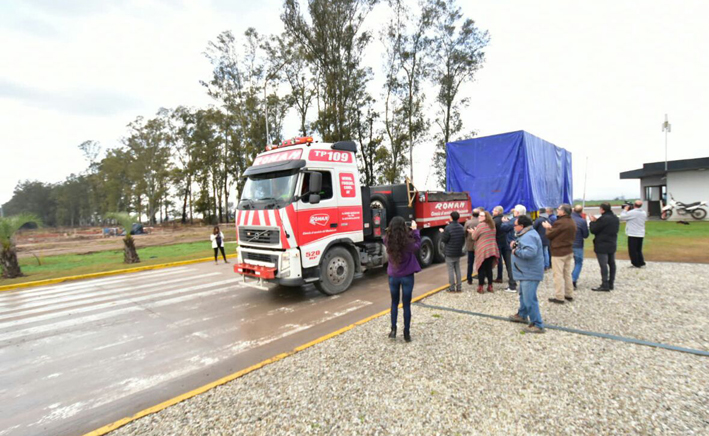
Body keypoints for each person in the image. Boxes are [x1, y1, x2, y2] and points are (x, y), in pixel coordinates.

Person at [384, 216, 421, 342]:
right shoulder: (408, 242)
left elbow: (388, 234)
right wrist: (415, 230)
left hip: (393, 276)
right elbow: (417, 245)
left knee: (394, 303)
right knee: (406, 305)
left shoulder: (387, 240)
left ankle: (393, 330)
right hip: (407, 276)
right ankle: (406, 333)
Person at [508, 215, 545, 333]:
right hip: (525, 272)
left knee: (529, 299)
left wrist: (515, 251)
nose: (514, 227)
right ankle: (522, 314)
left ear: (522, 226)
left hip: (530, 273)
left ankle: (537, 324)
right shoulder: (527, 234)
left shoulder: (528, 236)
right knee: (523, 295)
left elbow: (530, 253)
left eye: (515, 225)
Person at [543, 204, 577, 304]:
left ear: (563, 212)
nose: (557, 210)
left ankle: (559, 296)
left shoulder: (561, 222)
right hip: (568, 250)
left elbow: (550, 235)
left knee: (557, 274)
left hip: (559, 252)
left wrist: (547, 227)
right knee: (567, 273)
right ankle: (569, 294)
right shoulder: (571, 221)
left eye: (558, 209)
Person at [589, 203, 620, 292]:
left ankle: (604, 284)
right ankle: (611, 283)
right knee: (612, 263)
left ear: (602, 209)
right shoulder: (615, 218)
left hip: (602, 244)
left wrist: (592, 222)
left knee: (603, 265)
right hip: (612, 243)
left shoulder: (603, 219)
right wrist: (597, 221)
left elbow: (594, 230)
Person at [499, 204, 527, 292]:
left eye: (514, 211)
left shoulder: (514, 220)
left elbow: (503, 227)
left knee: (510, 266)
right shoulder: (526, 220)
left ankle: (512, 285)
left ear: (517, 212)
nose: (513, 211)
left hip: (511, 245)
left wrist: (504, 222)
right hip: (520, 245)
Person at [472, 211, 500, 293]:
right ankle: (490, 286)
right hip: (492, 249)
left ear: (486, 217)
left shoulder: (481, 225)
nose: (479, 217)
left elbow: (474, 237)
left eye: (481, 216)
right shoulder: (492, 225)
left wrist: (473, 231)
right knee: (489, 269)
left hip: (483, 250)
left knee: (481, 269)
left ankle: (480, 287)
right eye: (479, 216)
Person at [441, 211, 465, 292]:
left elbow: (444, 239)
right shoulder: (461, 227)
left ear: (451, 217)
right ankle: (459, 287)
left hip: (449, 252)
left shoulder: (448, 228)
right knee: (457, 269)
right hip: (458, 251)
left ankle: (451, 287)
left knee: (450, 270)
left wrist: (442, 233)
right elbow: (462, 239)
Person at [620, 200, 647, 268]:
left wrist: (625, 210)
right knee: (638, 249)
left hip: (633, 233)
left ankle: (635, 263)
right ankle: (641, 262)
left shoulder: (633, 213)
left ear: (634, 205)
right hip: (641, 233)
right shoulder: (643, 212)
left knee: (632, 250)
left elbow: (622, 217)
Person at [571, 205, 590, 289]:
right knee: (578, 262)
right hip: (578, 244)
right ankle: (573, 279)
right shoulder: (582, 221)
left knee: (565, 263)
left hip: (567, 244)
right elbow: (586, 235)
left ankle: (567, 280)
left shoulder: (568, 219)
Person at [463, 208, 480, 284]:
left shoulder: (468, 222)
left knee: (470, 262)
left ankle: (469, 278)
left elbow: (464, 233)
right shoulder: (481, 222)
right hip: (479, 245)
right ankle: (480, 276)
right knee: (480, 262)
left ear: (472, 214)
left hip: (470, 244)